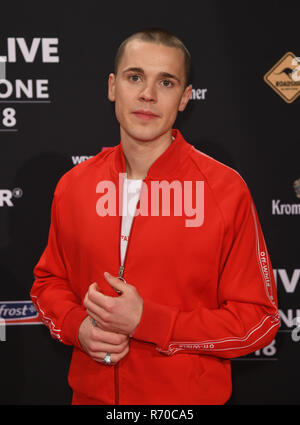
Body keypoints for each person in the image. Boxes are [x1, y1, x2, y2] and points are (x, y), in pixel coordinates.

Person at [30, 28, 280, 405]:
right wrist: (77, 327)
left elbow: (258, 321)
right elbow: (49, 283)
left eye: (166, 81)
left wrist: (149, 321)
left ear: (184, 98)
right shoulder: (74, 185)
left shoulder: (224, 190)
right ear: (113, 87)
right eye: (135, 77)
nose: (147, 94)